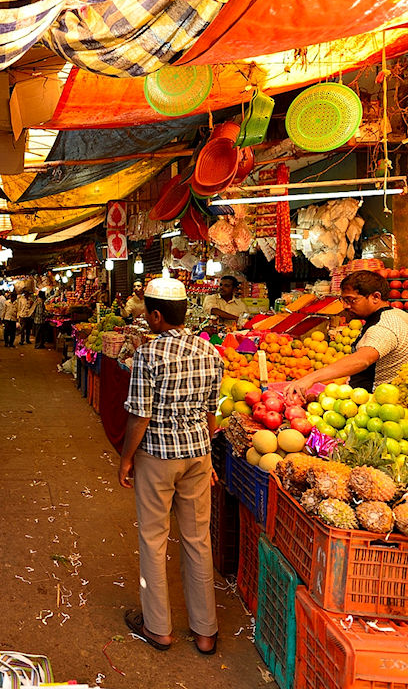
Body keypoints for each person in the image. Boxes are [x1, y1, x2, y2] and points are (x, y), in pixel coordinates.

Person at [118, 276, 223, 656]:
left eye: (147, 314)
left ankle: (159, 627)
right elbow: (211, 410)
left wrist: (126, 458)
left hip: (158, 456)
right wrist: (208, 454)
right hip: (197, 454)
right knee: (198, 540)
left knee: (153, 538)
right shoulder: (210, 352)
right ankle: (205, 631)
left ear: (157, 316)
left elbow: (139, 416)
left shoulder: (148, 355)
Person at [288, 270, 408, 395]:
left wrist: (310, 378)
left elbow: (362, 360)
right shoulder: (401, 315)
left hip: (379, 403)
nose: (345, 306)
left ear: (375, 297)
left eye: (351, 300)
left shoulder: (383, 327)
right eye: (343, 300)